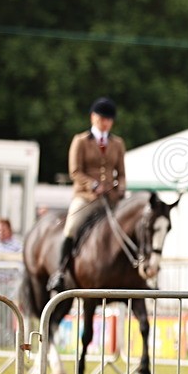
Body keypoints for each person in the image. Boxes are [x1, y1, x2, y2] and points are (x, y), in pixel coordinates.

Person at [47, 97, 127, 291]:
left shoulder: (117, 143)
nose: (105, 122)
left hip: (110, 198)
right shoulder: (81, 141)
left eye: (108, 119)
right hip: (86, 197)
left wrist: (121, 189)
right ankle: (60, 271)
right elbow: (75, 171)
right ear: (93, 117)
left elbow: (122, 174)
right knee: (71, 226)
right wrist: (93, 185)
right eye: (102, 118)